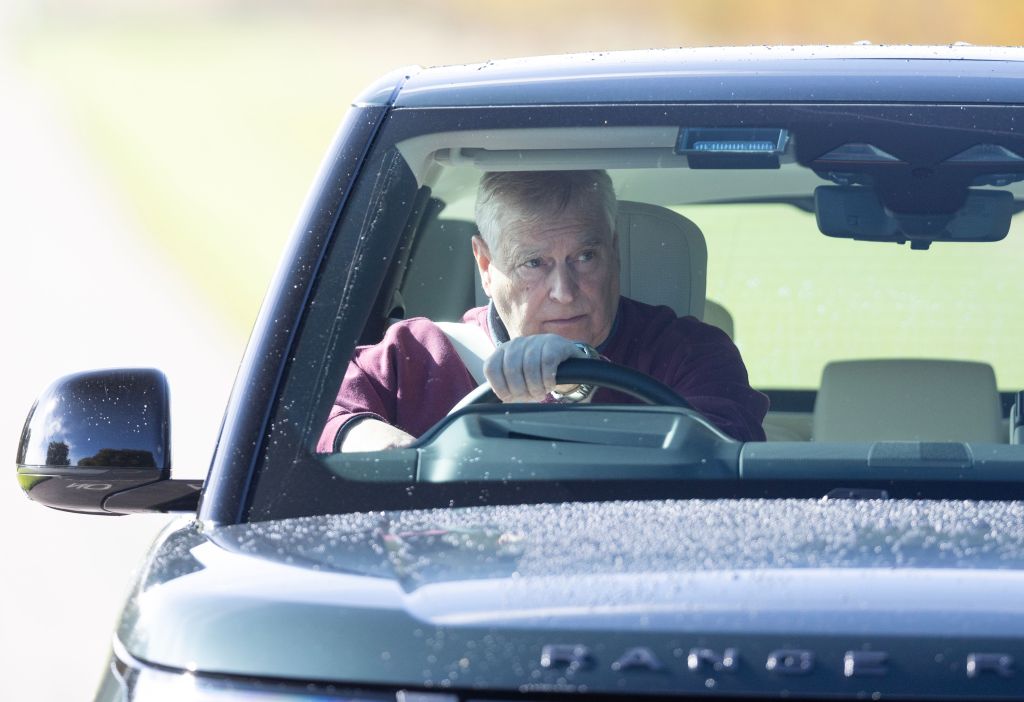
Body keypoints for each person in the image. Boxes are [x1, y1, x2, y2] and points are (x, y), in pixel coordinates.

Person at [318, 170, 769, 452]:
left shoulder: (689, 353)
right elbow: (310, 417)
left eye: (585, 257)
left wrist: (582, 380)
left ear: (614, 250)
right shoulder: (415, 356)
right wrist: (382, 447)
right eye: (534, 263)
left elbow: (728, 453)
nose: (565, 292)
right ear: (486, 265)